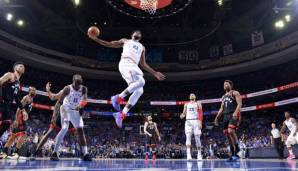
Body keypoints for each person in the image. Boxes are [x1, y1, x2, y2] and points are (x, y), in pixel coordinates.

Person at [88, 30, 165, 128]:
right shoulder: (125, 41)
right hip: (126, 63)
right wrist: (96, 39)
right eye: (136, 32)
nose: (138, 33)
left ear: (140, 37)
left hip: (134, 66)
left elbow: (143, 64)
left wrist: (154, 73)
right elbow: (109, 44)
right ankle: (118, 98)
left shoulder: (142, 47)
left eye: (140, 33)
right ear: (132, 35)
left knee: (140, 90)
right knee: (142, 81)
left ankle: (121, 114)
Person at [50, 74, 91, 161]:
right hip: (66, 108)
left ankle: (85, 153)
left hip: (76, 110)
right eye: (76, 84)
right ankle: (54, 152)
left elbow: (85, 100)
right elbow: (58, 103)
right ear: (73, 82)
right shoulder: (67, 89)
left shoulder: (83, 89)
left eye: (79, 84)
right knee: (65, 128)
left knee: (80, 130)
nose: (78, 86)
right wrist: (54, 117)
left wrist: (81, 105)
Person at [30, 82, 75, 160]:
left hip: (66, 114)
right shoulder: (65, 90)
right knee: (50, 131)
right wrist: (48, 90)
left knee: (63, 133)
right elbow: (53, 98)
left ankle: (54, 153)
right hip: (58, 112)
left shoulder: (75, 97)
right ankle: (35, 152)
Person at [1, 87, 36, 160]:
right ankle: (15, 153)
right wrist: (16, 120)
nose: (34, 92)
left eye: (35, 91)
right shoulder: (26, 98)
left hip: (22, 119)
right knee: (24, 135)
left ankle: (4, 152)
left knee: (13, 136)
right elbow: (18, 109)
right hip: (20, 118)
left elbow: (26, 110)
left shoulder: (31, 99)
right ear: (29, 91)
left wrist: (26, 115)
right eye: (32, 90)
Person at [0, 62, 25, 159]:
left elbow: (17, 98)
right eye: (20, 66)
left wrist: (23, 110)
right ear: (15, 68)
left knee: (6, 125)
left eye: (23, 67)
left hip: (7, 105)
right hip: (1, 102)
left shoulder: (18, 83)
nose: (22, 67)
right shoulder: (9, 75)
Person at [214, 80, 242, 162]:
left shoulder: (235, 93)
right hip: (225, 116)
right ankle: (233, 154)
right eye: (224, 84)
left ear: (231, 85)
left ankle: (237, 146)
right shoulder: (223, 97)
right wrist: (217, 117)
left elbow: (240, 104)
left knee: (230, 131)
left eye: (226, 84)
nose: (225, 85)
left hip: (233, 114)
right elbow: (221, 108)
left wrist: (236, 112)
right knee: (228, 136)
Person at [180, 93, 203, 160]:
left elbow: (200, 113)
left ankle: (199, 155)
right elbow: (184, 113)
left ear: (195, 97)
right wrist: (182, 116)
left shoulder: (198, 103)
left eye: (193, 94)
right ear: (189, 97)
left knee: (197, 138)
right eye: (190, 95)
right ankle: (188, 155)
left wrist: (200, 122)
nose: (192, 95)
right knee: (188, 137)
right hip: (188, 121)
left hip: (196, 121)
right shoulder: (186, 104)